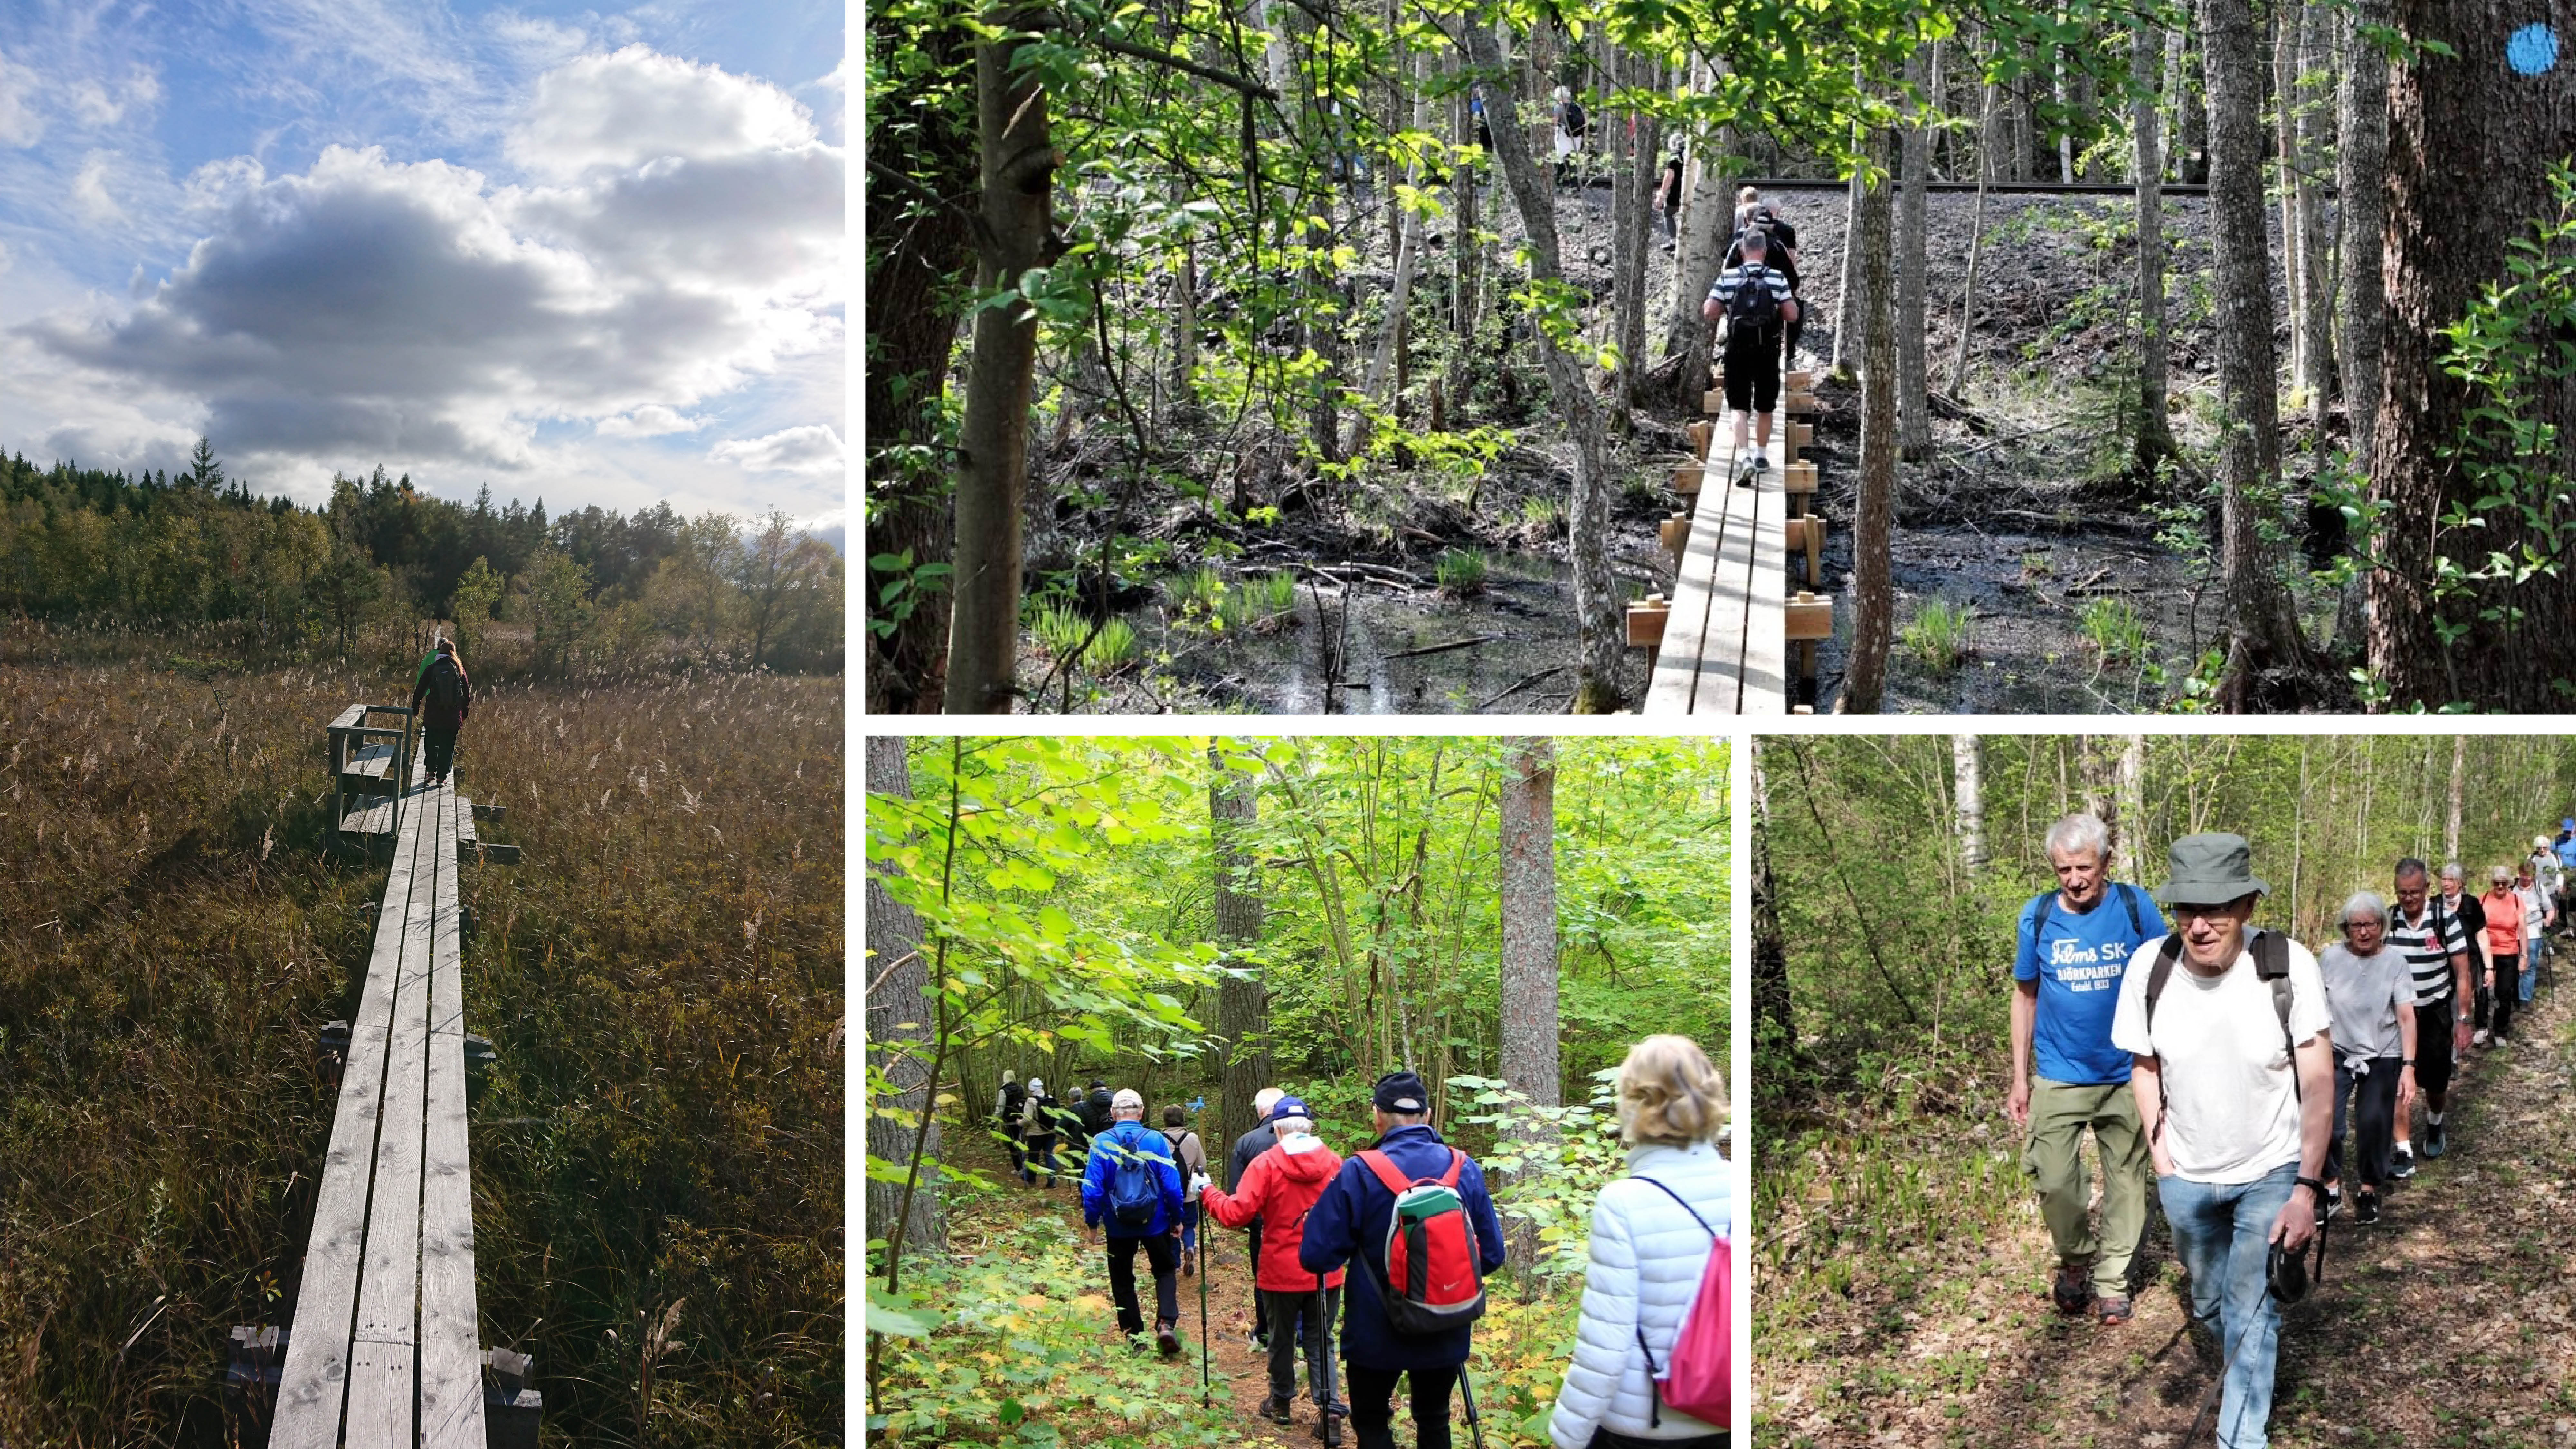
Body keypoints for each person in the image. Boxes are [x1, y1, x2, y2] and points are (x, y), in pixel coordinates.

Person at [2110, 833, 2331, 1449]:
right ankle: (2247, 1351)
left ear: (2247, 908)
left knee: (2248, 1308)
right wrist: (2161, 1154)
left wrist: (2307, 1191)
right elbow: (2143, 1063)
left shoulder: (2290, 966)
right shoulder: (2149, 969)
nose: (2200, 926)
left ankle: (2242, 1437)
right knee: (2210, 1304)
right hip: (2187, 1176)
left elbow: (2318, 1082)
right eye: (2187, 911)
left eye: (2217, 910)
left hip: (2271, 1166)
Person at [2006, 813, 2168, 1326]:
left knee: (2127, 1181)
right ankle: (2075, 1259)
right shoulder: (2037, 918)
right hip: (2059, 1073)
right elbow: (2025, 997)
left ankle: (2113, 1279)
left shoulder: (2135, 906)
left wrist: (2168, 1062)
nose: (2074, 880)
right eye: (2063, 870)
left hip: (2128, 1071)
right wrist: (2019, 1077)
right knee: (2054, 1179)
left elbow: (2167, 979)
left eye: (2084, 867)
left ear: (2106, 863)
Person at [1302, 1070, 1507, 1449]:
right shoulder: (1464, 1168)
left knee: (1373, 1423)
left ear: (1376, 1116)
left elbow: (1315, 1256)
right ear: (1428, 1116)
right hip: (1446, 1324)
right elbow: (1492, 1256)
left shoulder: (1358, 1171)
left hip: (1374, 1331)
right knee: (1434, 1419)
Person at [1547, 1036, 1732, 1449]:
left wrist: (1567, 1437)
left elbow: (1605, 1344)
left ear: (1632, 1104)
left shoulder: (1623, 1203)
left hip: (1647, 1426)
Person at [1202, 1096, 1349, 1431]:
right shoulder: (1334, 1163)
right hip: (1326, 1268)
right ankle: (1329, 1411)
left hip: (1281, 1269)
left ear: (1277, 1131)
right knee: (1321, 1339)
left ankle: (1281, 1402)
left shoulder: (1266, 1164)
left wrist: (1207, 1191)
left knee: (1282, 1338)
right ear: (1310, 1127)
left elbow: (1236, 1214)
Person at [2316, 892, 2416, 1226]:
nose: (2363, 932)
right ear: (2345, 928)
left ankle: (2368, 1190)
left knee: (2374, 1123)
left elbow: (2405, 1017)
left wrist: (2408, 1068)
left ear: (2381, 926)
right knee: (2325, 1124)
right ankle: (2329, 1186)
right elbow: (2314, 1008)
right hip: (2337, 1051)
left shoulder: (2395, 962)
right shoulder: (2329, 958)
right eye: (2355, 925)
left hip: (2381, 1053)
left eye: (2370, 924)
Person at [1080, 1088, 1189, 1356]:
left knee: (1122, 1279)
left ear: (1113, 1113)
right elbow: (1173, 1187)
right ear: (1141, 1112)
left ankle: (1135, 1338)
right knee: (1164, 1270)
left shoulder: (1102, 1142)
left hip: (1118, 1225)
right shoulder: (1155, 1140)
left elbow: (1092, 1189)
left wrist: (1093, 1224)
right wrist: (1177, 1218)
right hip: (1157, 1222)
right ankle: (1166, 1323)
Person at [2387, 858, 2474, 1176]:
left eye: (2414, 892)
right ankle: (2402, 1147)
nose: (2408, 899)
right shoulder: (2388, 921)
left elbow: (2462, 973)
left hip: (2435, 1013)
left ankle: (2435, 1122)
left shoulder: (2445, 920)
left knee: (2435, 1083)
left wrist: (2463, 1020)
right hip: (2397, 1016)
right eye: (2401, 893)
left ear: (2426, 888)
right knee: (2399, 1078)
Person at [1701, 229, 1800, 487]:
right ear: (1765, 252)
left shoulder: (1729, 277)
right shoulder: (1777, 278)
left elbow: (1709, 311)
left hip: (1737, 350)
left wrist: (1727, 305)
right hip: (1768, 350)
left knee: (1738, 406)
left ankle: (1743, 455)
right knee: (1765, 406)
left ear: (1742, 251)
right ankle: (1762, 455)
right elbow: (1792, 316)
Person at [1230, 1085, 1288, 1348]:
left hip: (1262, 1225)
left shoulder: (1247, 1142)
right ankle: (1296, 1337)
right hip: (1303, 1220)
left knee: (1263, 1277)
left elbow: (1236, 1194)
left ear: (1261, 1111)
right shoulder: (1309, 1143)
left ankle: (1266, 1334)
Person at [1720, 186, 1803, 363]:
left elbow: (1725, 270)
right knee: (1796, 308)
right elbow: (1792, 278)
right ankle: (1789, 354)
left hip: (1739, 309)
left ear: (1746, 220)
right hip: (1770, 311)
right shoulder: (1777, 243)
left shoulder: (1737, 241)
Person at [408, 636, 472, 787]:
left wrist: (415, 708)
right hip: (452, 715)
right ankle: (441, 778)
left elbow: (420, 690)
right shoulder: (459, 669)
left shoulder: (432, 668)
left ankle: (430, 771)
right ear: (453, 653)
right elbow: (467, 693)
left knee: (431, 741)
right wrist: (464, 713)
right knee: (447, 745)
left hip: (433, 714)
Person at [2479, 866, 2527, 1044]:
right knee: (2482, 991)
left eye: (2504, 883)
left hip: (2509, 952)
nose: (2500, 886)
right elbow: (2478, 927)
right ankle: (2481, 1026)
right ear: (2492, 883)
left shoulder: (2516, 901)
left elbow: (2522, 930)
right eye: (2496, 883)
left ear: (2509, 883)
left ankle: (2500, 1031)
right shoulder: (2483, 899)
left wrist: (2524, 956)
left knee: (2504, 992)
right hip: (2486, 953)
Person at [1161, 1104, 1209, 1276]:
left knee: (1172, 1228)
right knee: (1188, 1226)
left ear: (1165, 1120)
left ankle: (1175, 1262)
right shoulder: (1193, 1139)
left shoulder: (1160, 1139)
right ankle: (1189, 1248)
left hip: (1167, 1195)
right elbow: (1201, 1165)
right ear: (1182, 1119)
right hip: (1189, 1195)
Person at [2515, 857, 2556, 999]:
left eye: (2530, 876)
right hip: (2514, 933)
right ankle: (2515, 994)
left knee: (2530, 965)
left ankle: (2525, 998)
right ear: (2519, 874)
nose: (2527, 879)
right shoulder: (2513, 890)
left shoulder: (2539, 888)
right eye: (2524, 875)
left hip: (2533, 930)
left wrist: (2548, 920)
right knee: (2514, 965)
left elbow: (2550, 909)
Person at [1020, 1077, 1060, 1188]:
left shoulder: (1031, 1101)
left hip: (1035, 1135)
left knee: (1034, 1157)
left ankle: (1031, 1179)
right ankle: (1052, 1181)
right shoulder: (1051, 1098)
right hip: (1050, 1132)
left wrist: (1020, 1123)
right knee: (1050, 1156)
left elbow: (1027, 1120)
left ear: (1031, 1089)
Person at [997, 1070, 1028, 1179]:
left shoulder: (1003, 1091)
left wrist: (994, 1120)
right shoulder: (1021, 1089)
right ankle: (1023, 1166)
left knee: (1012, 1144)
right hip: (1020, 1120)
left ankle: (1020, 1168)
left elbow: (1000, 1108)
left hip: (1009, 1121)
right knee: (1020, 1142)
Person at [1551, 86, 1585, 186]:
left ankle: (1557, 184)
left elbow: (1555, 123)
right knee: (1572, 162)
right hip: (1576, 138)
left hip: (1563, 138)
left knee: (1560, 160)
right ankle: (1575, 186)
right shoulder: (1577, 107)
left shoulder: (1558, 108)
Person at [1652, 153, 1685, 252]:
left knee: (1668, 213)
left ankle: (1674, 242)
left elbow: (1669, 178)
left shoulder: (1674, 158)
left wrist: (1661, 195)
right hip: (1692, 192)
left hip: (1676, 193)